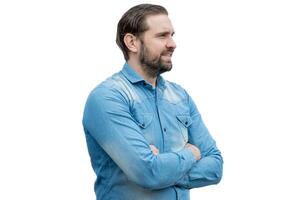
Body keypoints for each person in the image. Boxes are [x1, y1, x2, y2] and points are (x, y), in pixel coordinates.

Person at [82, 3, 223, 200]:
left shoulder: (180, 96)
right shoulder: (107, 97)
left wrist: (161, 169)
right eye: (162, 36)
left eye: (172, 35)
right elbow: (148, 173)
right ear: (132, 42)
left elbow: (215, 167)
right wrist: (191, 155)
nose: (173, 43)